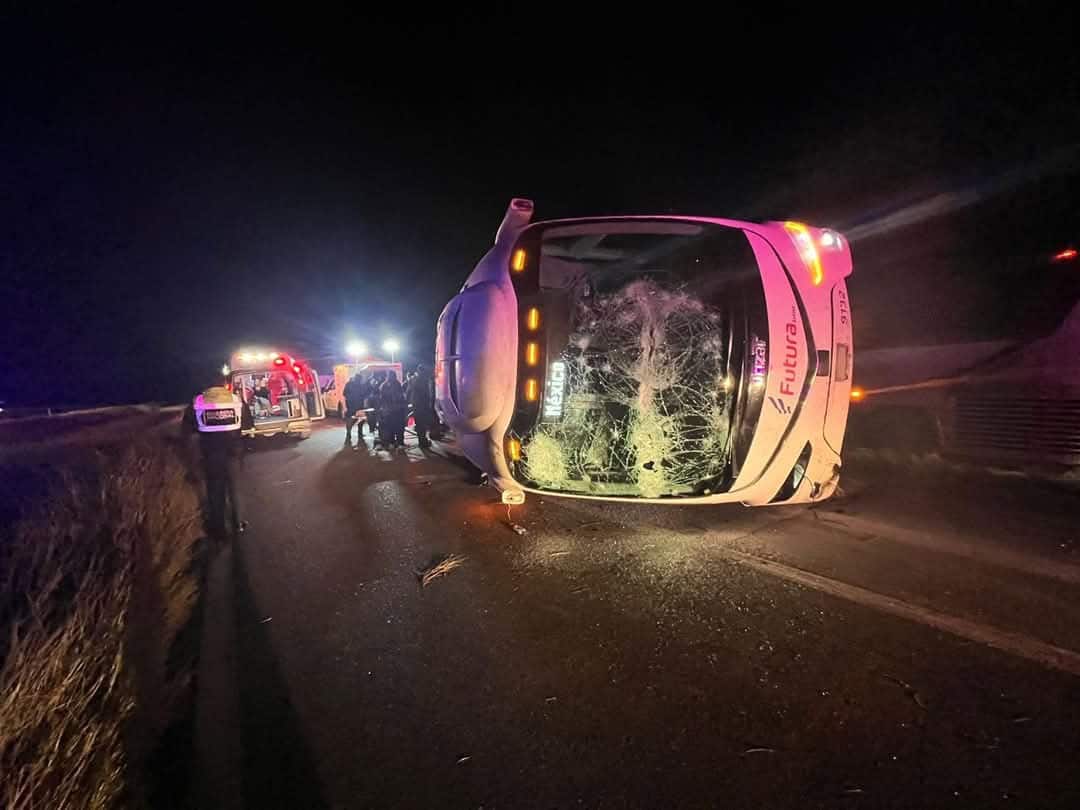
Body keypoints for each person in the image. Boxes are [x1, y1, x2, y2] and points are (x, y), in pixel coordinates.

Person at [192, 385, 246, 540]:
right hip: (233, 452)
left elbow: (190, 427)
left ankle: (218, 529)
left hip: (211, 455)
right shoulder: (235, 400)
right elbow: (247, 423)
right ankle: (238, 524)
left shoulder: (199, 401)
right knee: (235, 489)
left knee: (215, 492)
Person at [407, 364, 435, 449]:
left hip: (416, 405)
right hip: (423, 405)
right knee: (422, 425)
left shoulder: (413, 379)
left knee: (419, 424)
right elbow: (427, 394)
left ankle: (422, 441)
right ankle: (423, 442)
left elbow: (408, 391)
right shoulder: (423, 380)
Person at [379, 370, 407, 448]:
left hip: (392, 410)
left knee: (392, 427)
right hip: (395, 410)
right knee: (397, 427)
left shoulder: (385, 385)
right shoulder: (394, 384)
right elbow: (400, 396)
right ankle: (398, 443)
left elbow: (382, 398)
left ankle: (394, 442)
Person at [343, 372, 364, 443]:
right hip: (359, 407)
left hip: (351, 406)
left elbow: (344, 394)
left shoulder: (349, 384)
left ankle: (348, 435)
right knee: (360, 421)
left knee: (350, 422)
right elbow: (364, 395)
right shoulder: (361, 386)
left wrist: (347, 403)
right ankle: (360, 434)